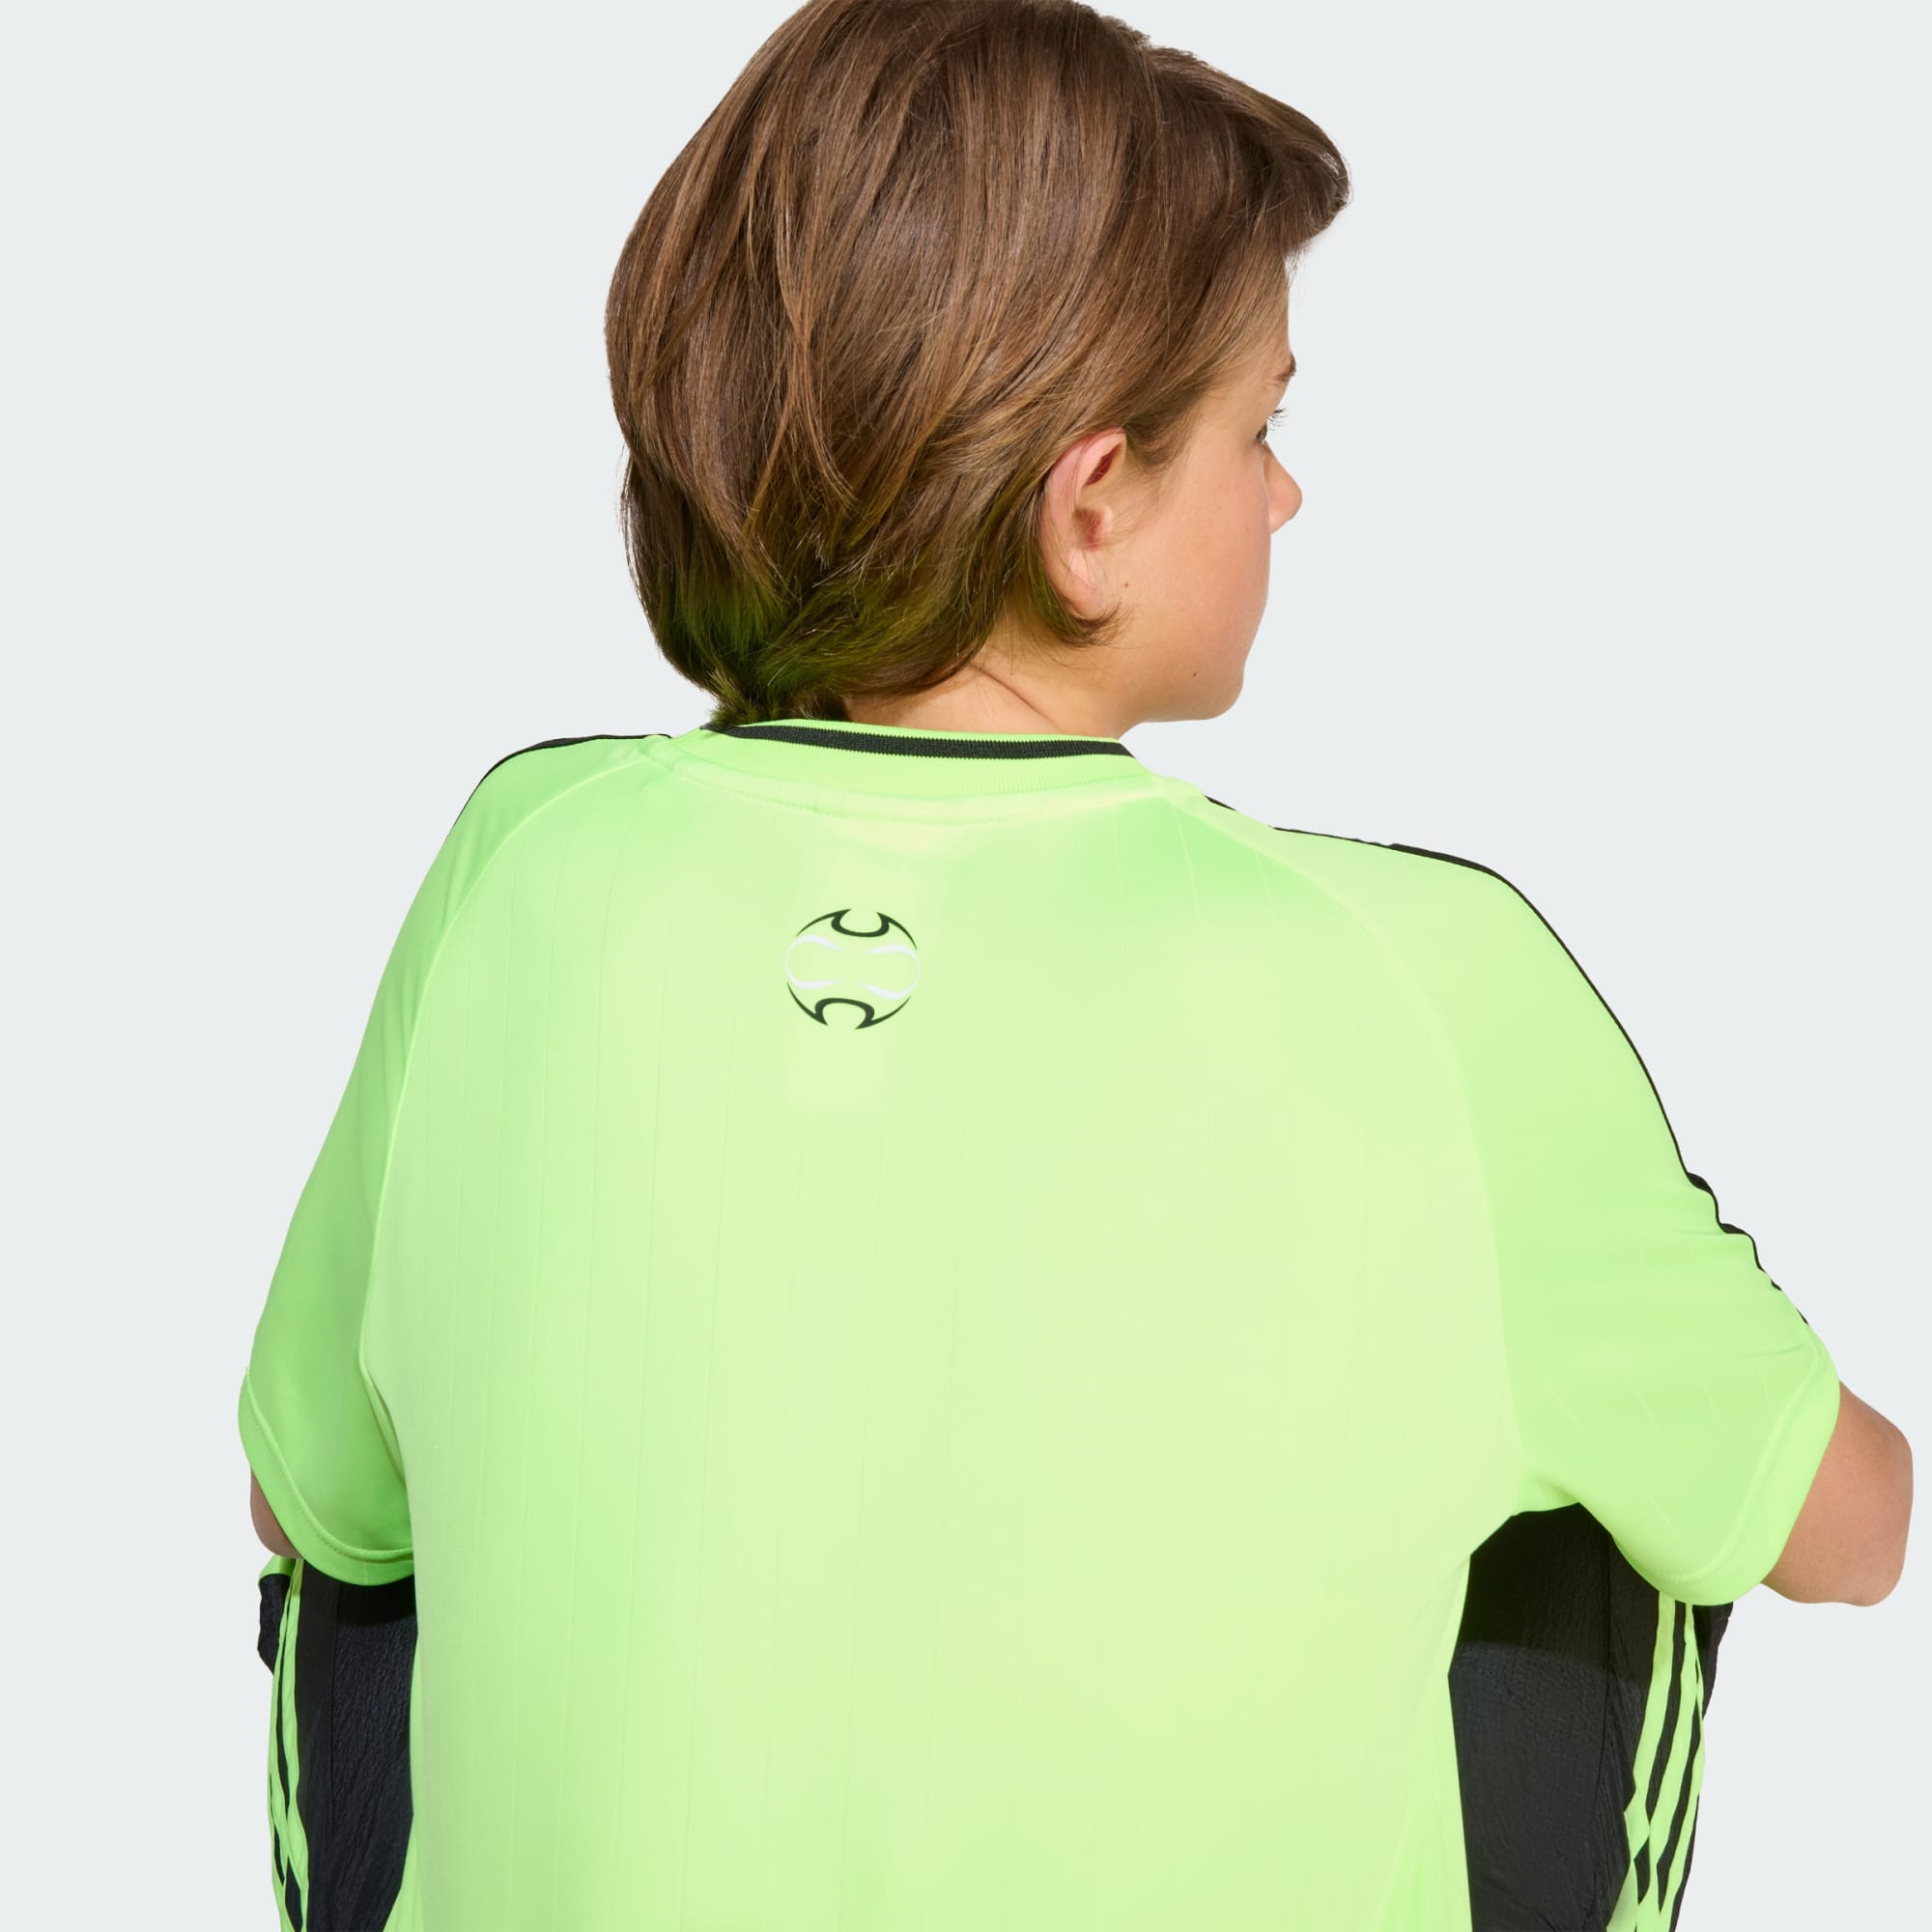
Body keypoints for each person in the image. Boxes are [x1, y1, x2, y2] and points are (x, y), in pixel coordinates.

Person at [237, 3, 1913, 1928]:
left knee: (394, 1551)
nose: (1285, 493)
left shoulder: (518, 863)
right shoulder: (1420, 976)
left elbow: (311, 1500)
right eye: (1261, 429)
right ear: (1090, 508)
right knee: (1624, 1518)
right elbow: (1845, 1529)